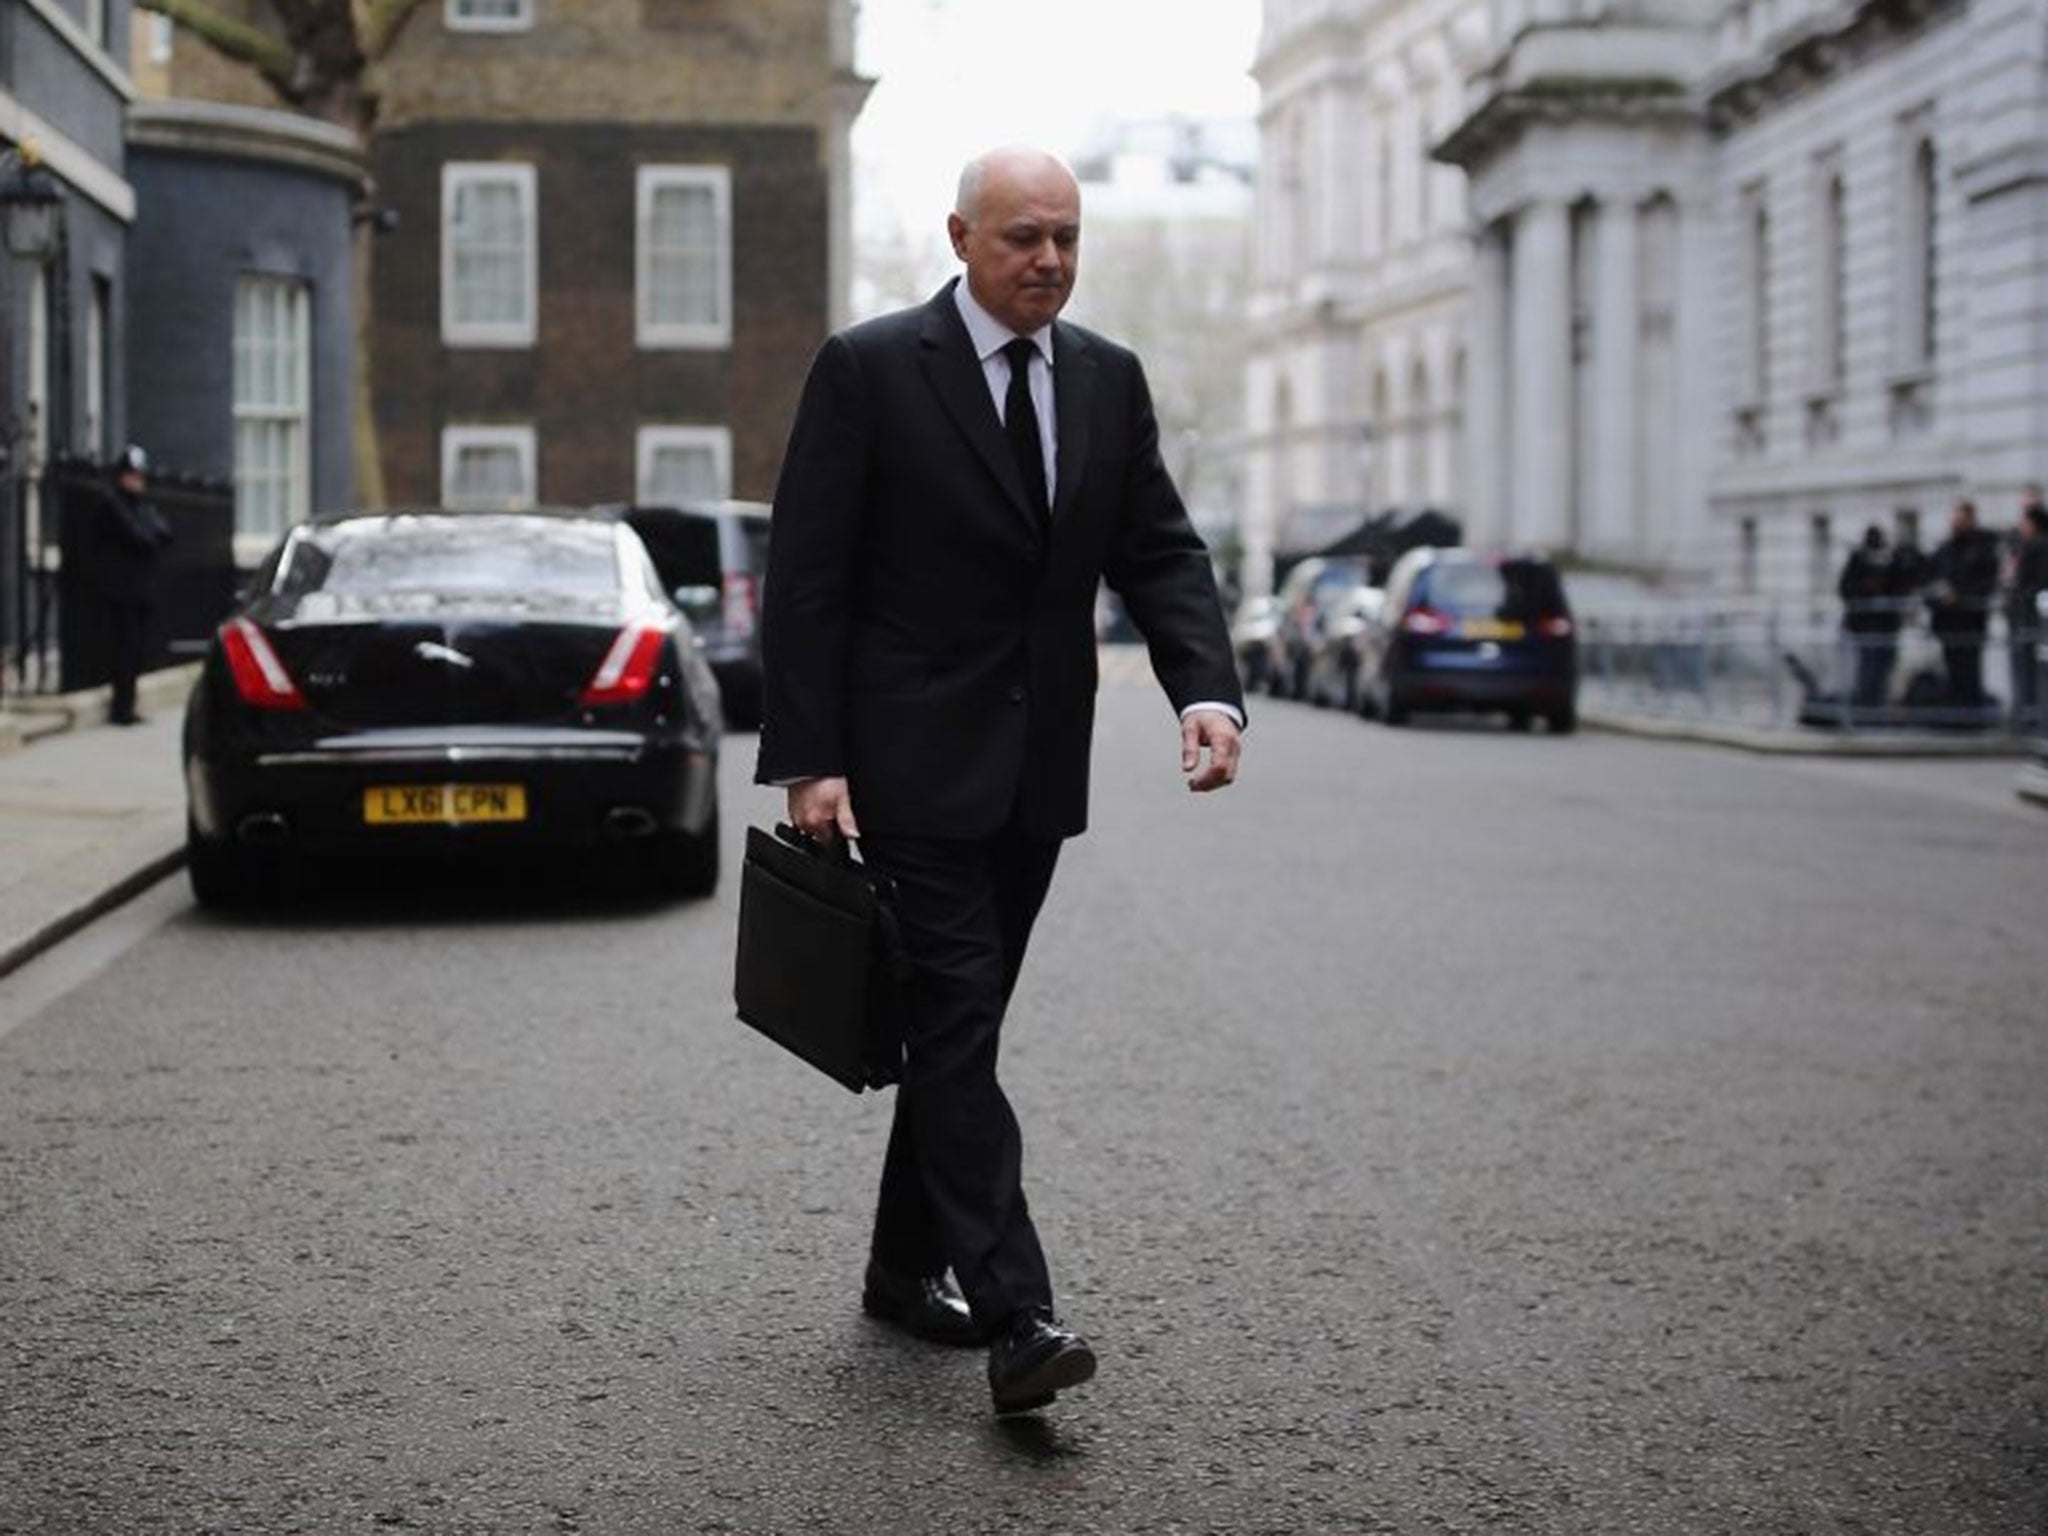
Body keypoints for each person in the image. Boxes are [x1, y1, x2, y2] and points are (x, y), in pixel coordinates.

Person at [755, 145, 1245, 1417]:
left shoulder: (1104, 379)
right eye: (1025, 238)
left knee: (953, 1030)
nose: (1049, 262)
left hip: (1034, 773)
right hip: (907, 766)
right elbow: (807, 574)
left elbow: (1157, 548)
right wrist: (809, 757)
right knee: (959, 1021)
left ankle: (895, 1270)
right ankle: (1020, 1314)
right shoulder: (869, 369)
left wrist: (1205, 689)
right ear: (960, 236)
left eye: (1067, 239)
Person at [95, 444, 173, 726]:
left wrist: (148, 531)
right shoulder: (111, 503)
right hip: (120, 590)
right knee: (123, 650)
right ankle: (121, 708)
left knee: (138, 650)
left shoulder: (142, 505)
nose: (136, 481)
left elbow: (164, 533)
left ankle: (129, 703)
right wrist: (147, 532)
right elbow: (140, 537)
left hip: (141, 590)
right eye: (131, 475)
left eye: (139, 476)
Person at [1924, 498, 2000, 707]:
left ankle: (1970, 715)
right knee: (1953, 671)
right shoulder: (1945, 549)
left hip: (1970, 622)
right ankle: (1956, 715)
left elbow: (1986, 583)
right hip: (1947, 623)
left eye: (1960, 519)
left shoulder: (1983, 548)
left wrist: (1961, 596)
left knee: (1969, 671)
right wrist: (1939, 596)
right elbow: (1929, 578)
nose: (1956, 523)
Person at [1837, 524, 1903, 710]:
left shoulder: (1891, 561)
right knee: (1867, 669)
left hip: (1886, 627)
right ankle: (1865, 708)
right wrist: (1866, 588)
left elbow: (1900, 587)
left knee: (1883, 668)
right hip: (1864, 627)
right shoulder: (1858, 560)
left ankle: (1877, 705)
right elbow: (1846, 589)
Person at [2006, 489, 2048, 727]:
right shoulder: (2021, 543)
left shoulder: (2036, 547)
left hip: (2031, 617)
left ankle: (2031, 719)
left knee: (2031, 670)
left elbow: (2026, 581)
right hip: (2026, 616)